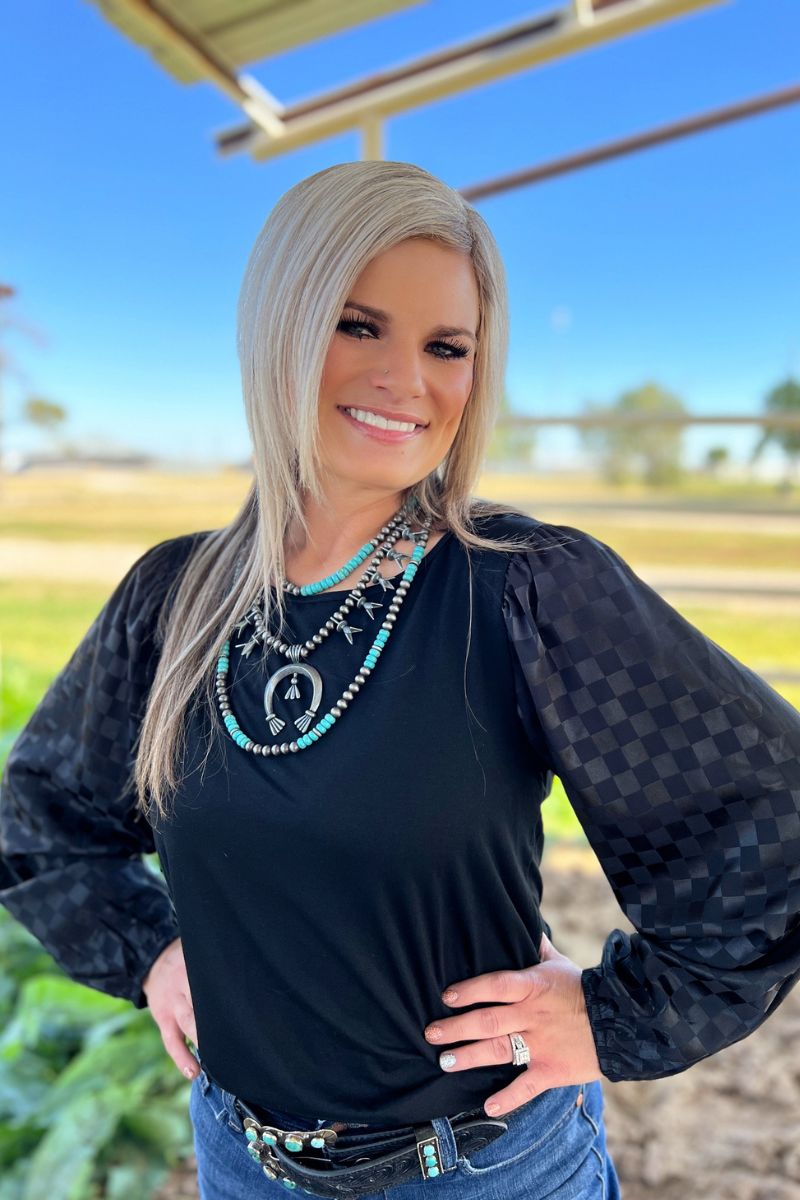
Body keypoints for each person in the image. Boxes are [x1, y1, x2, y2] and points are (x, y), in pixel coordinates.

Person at [1, 160, 798, 1200]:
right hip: (241, 1160)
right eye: (357, 325)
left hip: (484, 1169)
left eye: (445, 347)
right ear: (279, 328)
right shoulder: (171, 599)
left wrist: (617, 1015)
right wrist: (150, 949)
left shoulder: (525, 590)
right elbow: (42, 818)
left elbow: (771, 822)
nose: (405, 379)